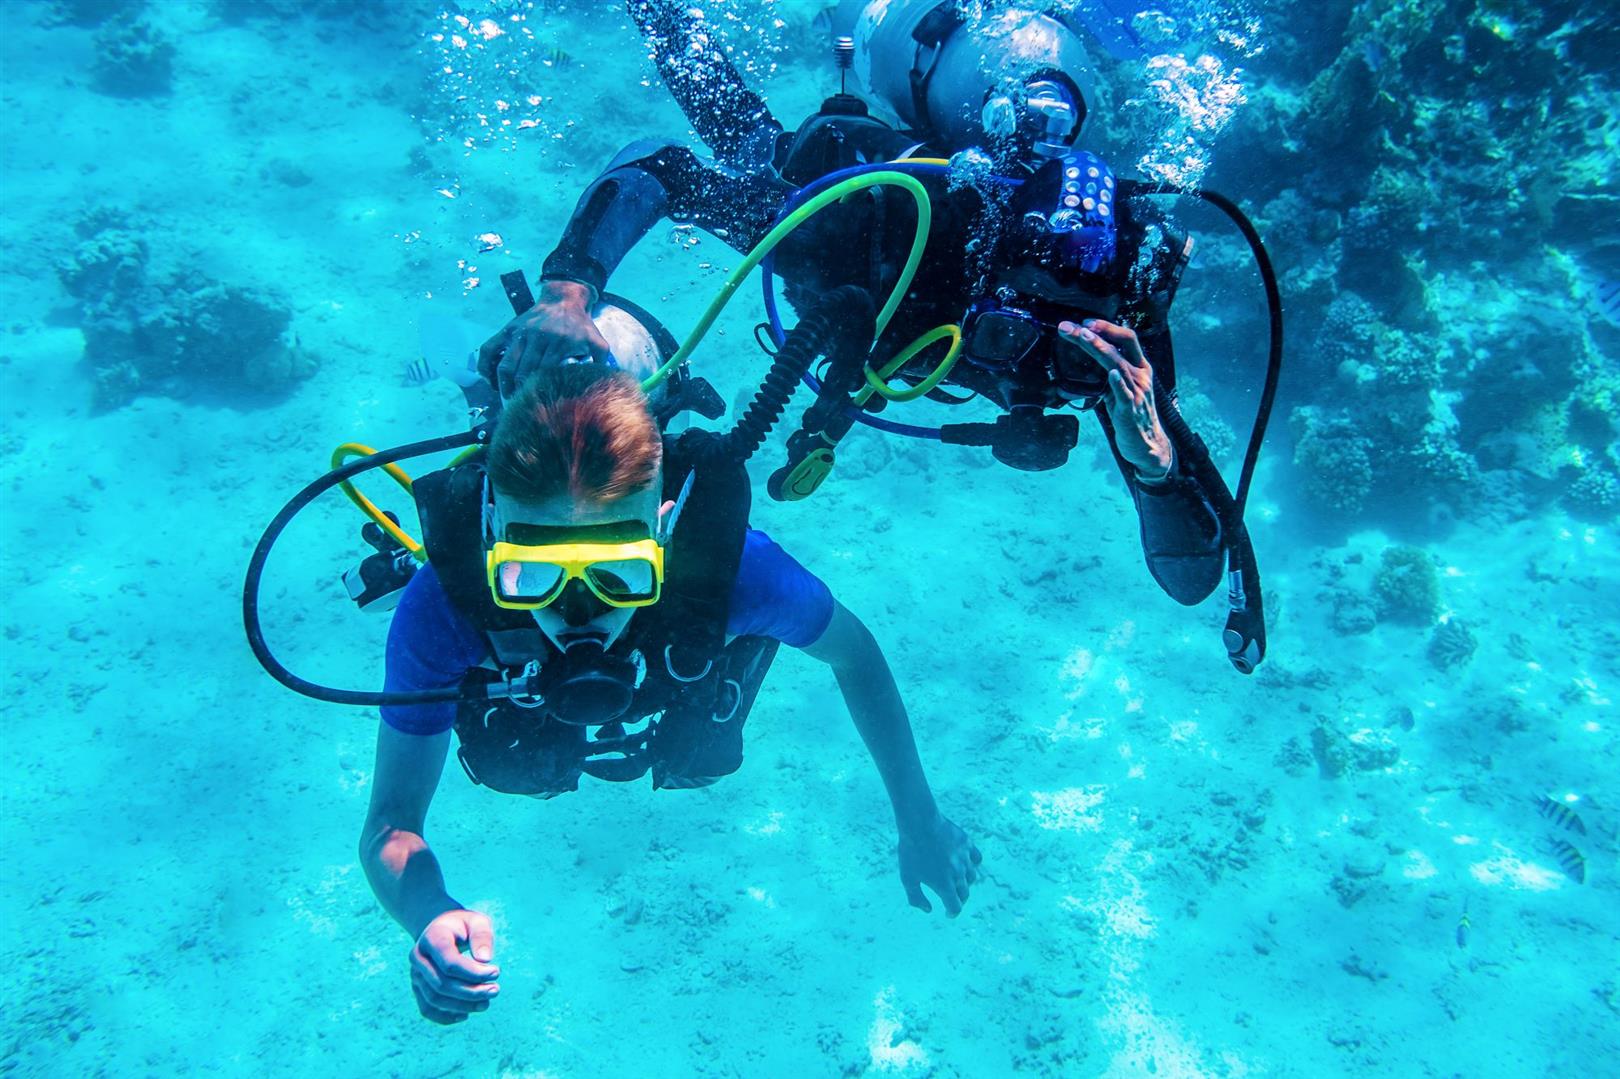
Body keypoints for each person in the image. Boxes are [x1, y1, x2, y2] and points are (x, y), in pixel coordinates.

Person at [478, 1, 1264, 668]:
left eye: (1055, 350)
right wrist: (569, 293)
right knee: (753, 144)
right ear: (976, 280)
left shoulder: (1112, 323)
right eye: (1002, 332)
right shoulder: (867, 229)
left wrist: (1156, 467)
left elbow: (1195, 577)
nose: (1025, 371)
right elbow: (664, 168)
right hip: (876, 224)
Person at [359, 361, 981, 1024]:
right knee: (512, 763)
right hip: (511, 659)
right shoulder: (443, 608)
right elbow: (390, 821)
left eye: (619, 574)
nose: (581, 615)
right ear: (490, 538)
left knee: (702, 751)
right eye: (532, 577)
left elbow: (855, 657)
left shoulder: (739, 574)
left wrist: (920, 819)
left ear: (663, 529)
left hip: (685, 631)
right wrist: (427, 908)